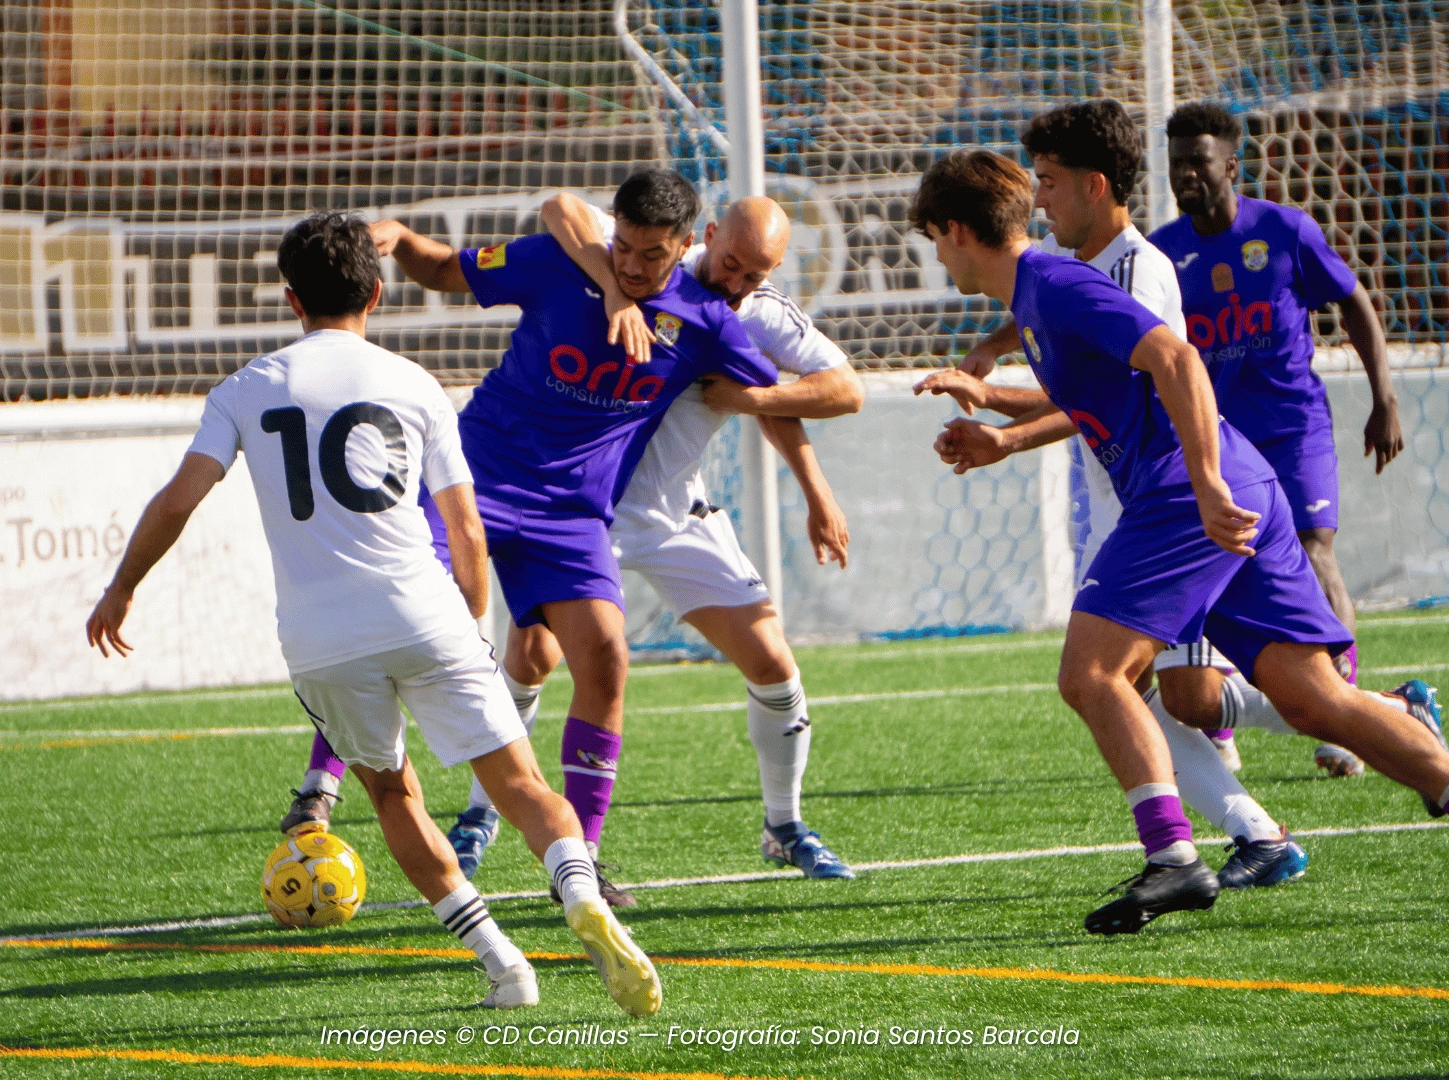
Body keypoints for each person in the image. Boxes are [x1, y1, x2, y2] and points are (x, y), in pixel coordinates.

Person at [85, 213, 662, 1015]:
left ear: (291, 300)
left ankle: (504, 967)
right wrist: (469, 618)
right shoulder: (415, 384)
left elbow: (178, 500)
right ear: (378, 293)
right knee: (522, 784)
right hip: (424, 612)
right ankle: (577, 892)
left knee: (395, 797)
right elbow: (465, 528)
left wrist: (122, 587)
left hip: (321, 640)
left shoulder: (246, 390)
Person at [916, 150, 1449, 931]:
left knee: (1092, 675)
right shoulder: (1036, 297)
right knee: (1313, 698)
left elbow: (1176, 357)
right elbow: (1101, 400)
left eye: (933, 239)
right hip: (1226, 486)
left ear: (957, 231)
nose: (937, 255)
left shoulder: (1056, 285)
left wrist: (1203, 484)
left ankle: (1174, 859)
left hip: (1186, 498)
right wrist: (1001, 434)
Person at [286, 172, 783, 907]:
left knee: (608, 656)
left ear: (685, 247)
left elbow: (818, 390)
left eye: (653, 255)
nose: (634, 265)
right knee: (391, 609)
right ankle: (318, 786)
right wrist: (401, 239)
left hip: (572, 517)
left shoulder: (705, 319)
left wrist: (746, 401)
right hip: (475, 480)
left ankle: (580, 863)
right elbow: (448, 269)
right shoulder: (560, 261)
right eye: (624, 245)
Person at [914, 99, 1308, 888]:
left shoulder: (1135, 269)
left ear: (1095, 186)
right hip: (1134, 504)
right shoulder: (1058, 279)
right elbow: (1097, 394)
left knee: (1175, 691)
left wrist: (1198, 486)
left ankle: (1243, 825)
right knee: (1137, 685)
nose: (1041, 197)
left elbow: (1162, 375)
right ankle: (1247, 830)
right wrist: (997, 417)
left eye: (1052, 181)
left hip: (1169, 506)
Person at [427, 192, 866, 887]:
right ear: (707, 234)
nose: (739, 281)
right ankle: (483, 813)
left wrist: (785, 447)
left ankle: (783, 825)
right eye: (731, 263)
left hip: (671, 514)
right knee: (532, 655)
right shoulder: (641, 255)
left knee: (773, 662)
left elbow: (839, 390)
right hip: (577, 508)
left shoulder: (750, 312)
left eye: (757, 272)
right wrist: (610, 287)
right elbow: (563, 209)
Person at [1150, 102, 1407, 783]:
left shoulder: (1285, 231)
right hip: (1216, 439)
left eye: (1197, 161)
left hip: (1294, 427)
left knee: (1317, 549)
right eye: (1176, 162)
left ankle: (1346, 704)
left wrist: (1383, 397)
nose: (1186, 174)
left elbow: (1353, 302)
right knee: (1208, 559)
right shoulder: (1163, 253)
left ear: (1230, 165)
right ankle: (1217, 716)